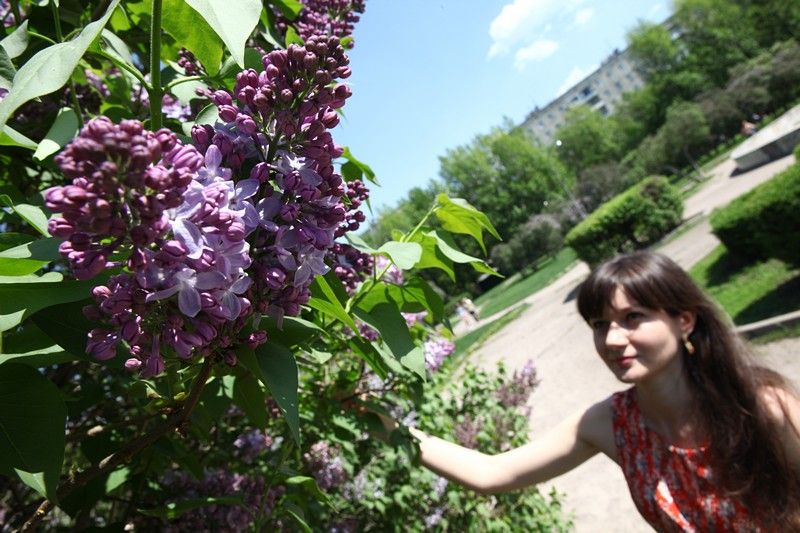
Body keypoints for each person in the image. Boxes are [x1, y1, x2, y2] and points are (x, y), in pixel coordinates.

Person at [384, 252, 800, 531]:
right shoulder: (612, 424)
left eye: (632, 317)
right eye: (600, 325)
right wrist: (387, 425)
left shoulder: (761, 404)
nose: (612, 340)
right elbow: (493, 473)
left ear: (684, 321)